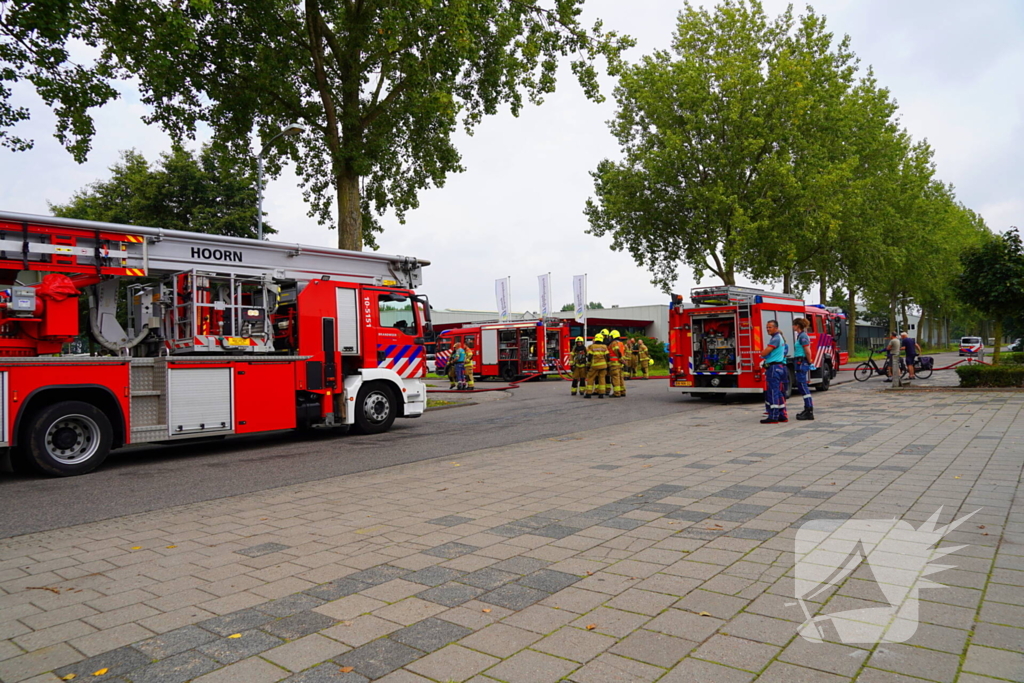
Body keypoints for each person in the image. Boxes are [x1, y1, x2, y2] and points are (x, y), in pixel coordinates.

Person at [760, 320, 788, 424]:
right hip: (780, 367)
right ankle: (782, 415)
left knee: (773, 392)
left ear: (776, 328)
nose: (768, 329)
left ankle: (773, 416)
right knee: (779, 392)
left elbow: (764, 352)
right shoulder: (779, 337)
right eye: (767, 327)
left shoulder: (775, 339)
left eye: (770, 327)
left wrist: (762, 354)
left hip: (773, 368)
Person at [792, 318, 815, 421]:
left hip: (801, 362)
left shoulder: (803, 336)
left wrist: (809, 361)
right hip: (799, 362)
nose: (793, 327)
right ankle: (807, 409)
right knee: (801, 386)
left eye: (794, 325)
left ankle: (809, 410)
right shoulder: (800, 336)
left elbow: (807, 350)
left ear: (797, 325)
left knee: (803, 386)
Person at [585, 333, 609, 398]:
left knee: (591, 378)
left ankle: (588, 393)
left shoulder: (592, 346)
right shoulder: (604, 346)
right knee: (602, 379)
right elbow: (607, 356)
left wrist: (588, 365)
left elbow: (590, 356)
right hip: (603, 365)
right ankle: (601, 394)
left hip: (595, 365)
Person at [608, 330, 626, 397]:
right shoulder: (621, 343)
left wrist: (620, 359)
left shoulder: (614, 343)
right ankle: (622, 391)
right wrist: (622, 360)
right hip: (620, 364)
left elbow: (617, 351)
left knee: (615, 378)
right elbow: (623, 352)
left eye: (610, 336)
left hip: (614, 363)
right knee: (620, 378)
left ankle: (617, 393)